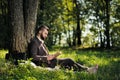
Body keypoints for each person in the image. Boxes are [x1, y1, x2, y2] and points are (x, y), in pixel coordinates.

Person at [28, 25, 98, 73]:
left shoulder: (42, 43)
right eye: (45, 33)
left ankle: (86, 71)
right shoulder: (35, 42)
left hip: (51, 61)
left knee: (68, 65)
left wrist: (53, 56)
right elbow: (33, 56)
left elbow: (45, 54)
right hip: (45, 64)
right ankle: (88, 70)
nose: (46, 35)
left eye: (47, 34)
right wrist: (47, 58)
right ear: (40, 31)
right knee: (68, 60)